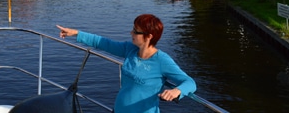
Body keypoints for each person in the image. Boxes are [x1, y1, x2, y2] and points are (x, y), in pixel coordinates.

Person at [56, 14, 196, 113]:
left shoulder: (162, 61)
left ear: (149, 36)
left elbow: (189, 82)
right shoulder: (130, 49)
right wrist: (75, 33)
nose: (131, 33)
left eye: (136, 31)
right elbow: (103, 43)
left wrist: (176, 90)